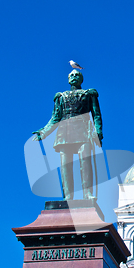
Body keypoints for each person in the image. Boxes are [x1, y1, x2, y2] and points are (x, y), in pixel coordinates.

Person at [33, 69, 103, 201]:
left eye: (77, 75)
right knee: (66, 166)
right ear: (68, 79)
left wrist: (98, 132)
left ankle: (87, 194)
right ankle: (68, 196)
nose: (74, 77)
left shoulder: (89, 94)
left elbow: (96, 115)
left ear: (81, 79)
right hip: (64, 132)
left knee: (85, 163)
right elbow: (55, 118)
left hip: (83, 131)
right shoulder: (61, 96)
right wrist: (43, 133)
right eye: (71, 75)